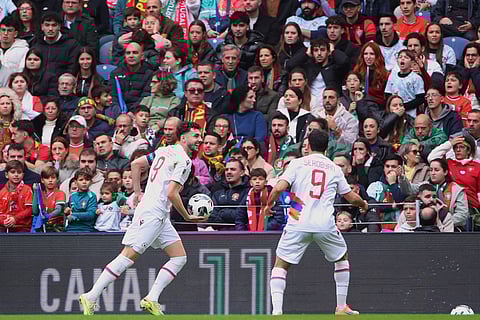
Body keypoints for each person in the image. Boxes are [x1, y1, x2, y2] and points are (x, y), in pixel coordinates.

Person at [79, 122, 205, 315]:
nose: (200, 140)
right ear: (184, 137)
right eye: (196, 136)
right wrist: (188, 216)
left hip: (158, 213)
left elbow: (136, 164)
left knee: (179, 257)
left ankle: (152, 298)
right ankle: (91, 295)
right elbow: (172, 193)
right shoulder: (184, 161)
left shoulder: (165, 150)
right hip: (153, 213)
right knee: (128, 256)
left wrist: (138, 192)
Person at [264, 129, 368, 316]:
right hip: (324, 224)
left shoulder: (297, 163)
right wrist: (363, 204)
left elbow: (279, 187)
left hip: (298, 221)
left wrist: (269, 204)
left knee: (280, 265)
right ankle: (341, 306)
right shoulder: (334, 168)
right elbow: (350, 196)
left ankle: (277, 311)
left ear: (308, 145)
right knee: (341, 259)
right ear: (326, 147)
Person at [399, 158, 469, 230]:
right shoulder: (425, 185)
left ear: (445, 172)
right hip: (423, 227)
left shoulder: (456, 189)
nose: (432, 173)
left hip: (451, 229)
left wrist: (444, 221)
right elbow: (408, 190)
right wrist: (402, 178)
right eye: (431, 170)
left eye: (436, 170)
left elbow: (462, 215)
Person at [31, 11, 78, 77]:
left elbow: (72, 69)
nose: (50, 29)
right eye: (47, 25)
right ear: (42, 27)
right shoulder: (36, 44)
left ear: (59, 27)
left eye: (54, 25)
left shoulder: (71, 45)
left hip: (62, 84)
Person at [110, 42, 153, 113]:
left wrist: (133, 112)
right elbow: (113, 96)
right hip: (119, 111)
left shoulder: (149, 74)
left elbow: (145, 97)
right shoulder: (115, 73)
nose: (131, 56)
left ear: (142, 56)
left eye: (135, 53)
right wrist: (119, 112)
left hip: (139, 112)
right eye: (128, 53)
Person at [208, 159, 250, 229]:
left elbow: (245, 217)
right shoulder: (217, 193)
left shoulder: (249, 192)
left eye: (233, 169)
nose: (229, 172)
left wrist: (223, 213)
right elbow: (212, 220)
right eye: (227, 170)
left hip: (242, 235)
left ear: (242, 173)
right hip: (220, 236)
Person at [385, 49, 425, 118]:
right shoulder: (392, 77)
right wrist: (395, 105)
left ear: (411, 62)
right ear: (397, 61)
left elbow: (420, 98)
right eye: (400, 57)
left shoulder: (416, 78)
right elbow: (387, 94)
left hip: (411, 114)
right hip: (394, 113)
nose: (402, 59)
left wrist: (403, 106)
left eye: (406, 57)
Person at [352, 42, 389, 108]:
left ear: (377, 56)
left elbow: (385, 98)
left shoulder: (385, 74)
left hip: (378, 109)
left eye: (372, 54)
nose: (368, 57)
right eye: (365, 54)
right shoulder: (357, 71)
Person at [0, 160, 33, 232]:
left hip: (23, 227)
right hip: (4, 228)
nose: (16, 175)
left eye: (19, 172)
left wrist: (15, 218)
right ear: (6, 175)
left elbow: (30, 209)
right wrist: (3, 222)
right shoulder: (2, 192)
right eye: (13, 172)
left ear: (23, 175)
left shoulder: (27, 189)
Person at [32, 165, 66, 232]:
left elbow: (58, 210)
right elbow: (35, 212)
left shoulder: (60, 193)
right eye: (47, 178)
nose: (50, 180)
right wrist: (35, 192)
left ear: (57, 179)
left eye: (53, 178)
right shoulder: (40, 193)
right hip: (42, 228)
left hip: (56, 228)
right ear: (42, 180)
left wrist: (48, 216)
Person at [64, 167, 97, 232]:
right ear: (76, 182)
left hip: (86, 229)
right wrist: (66, 213)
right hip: (70, 229)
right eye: (81, 180)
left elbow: (91, 215)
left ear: (91, 182)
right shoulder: (72, 196)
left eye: (87, 179)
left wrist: (73, 215)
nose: (84, 182)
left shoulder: (92, 196)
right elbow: (69, 214)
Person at [0, 16, 29, 87]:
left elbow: (21, 73)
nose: (5, 33)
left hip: (14, 89)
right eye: (3, 30)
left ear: (15, 33)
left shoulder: (24, 50)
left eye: (9, 30)